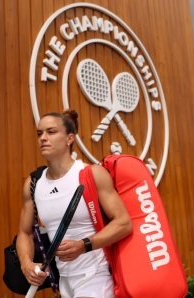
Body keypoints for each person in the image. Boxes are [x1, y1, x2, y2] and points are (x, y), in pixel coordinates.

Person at [16, 110, 132, 297]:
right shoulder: (34, 183)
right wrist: (27, 264)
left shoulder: (91, 174)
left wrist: (84, 245)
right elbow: (25, 232)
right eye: (40, 133)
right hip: (64, 282)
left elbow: (124, 223)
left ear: (70, 139)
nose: (43, 138)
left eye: (51, 132)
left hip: (97, 276)